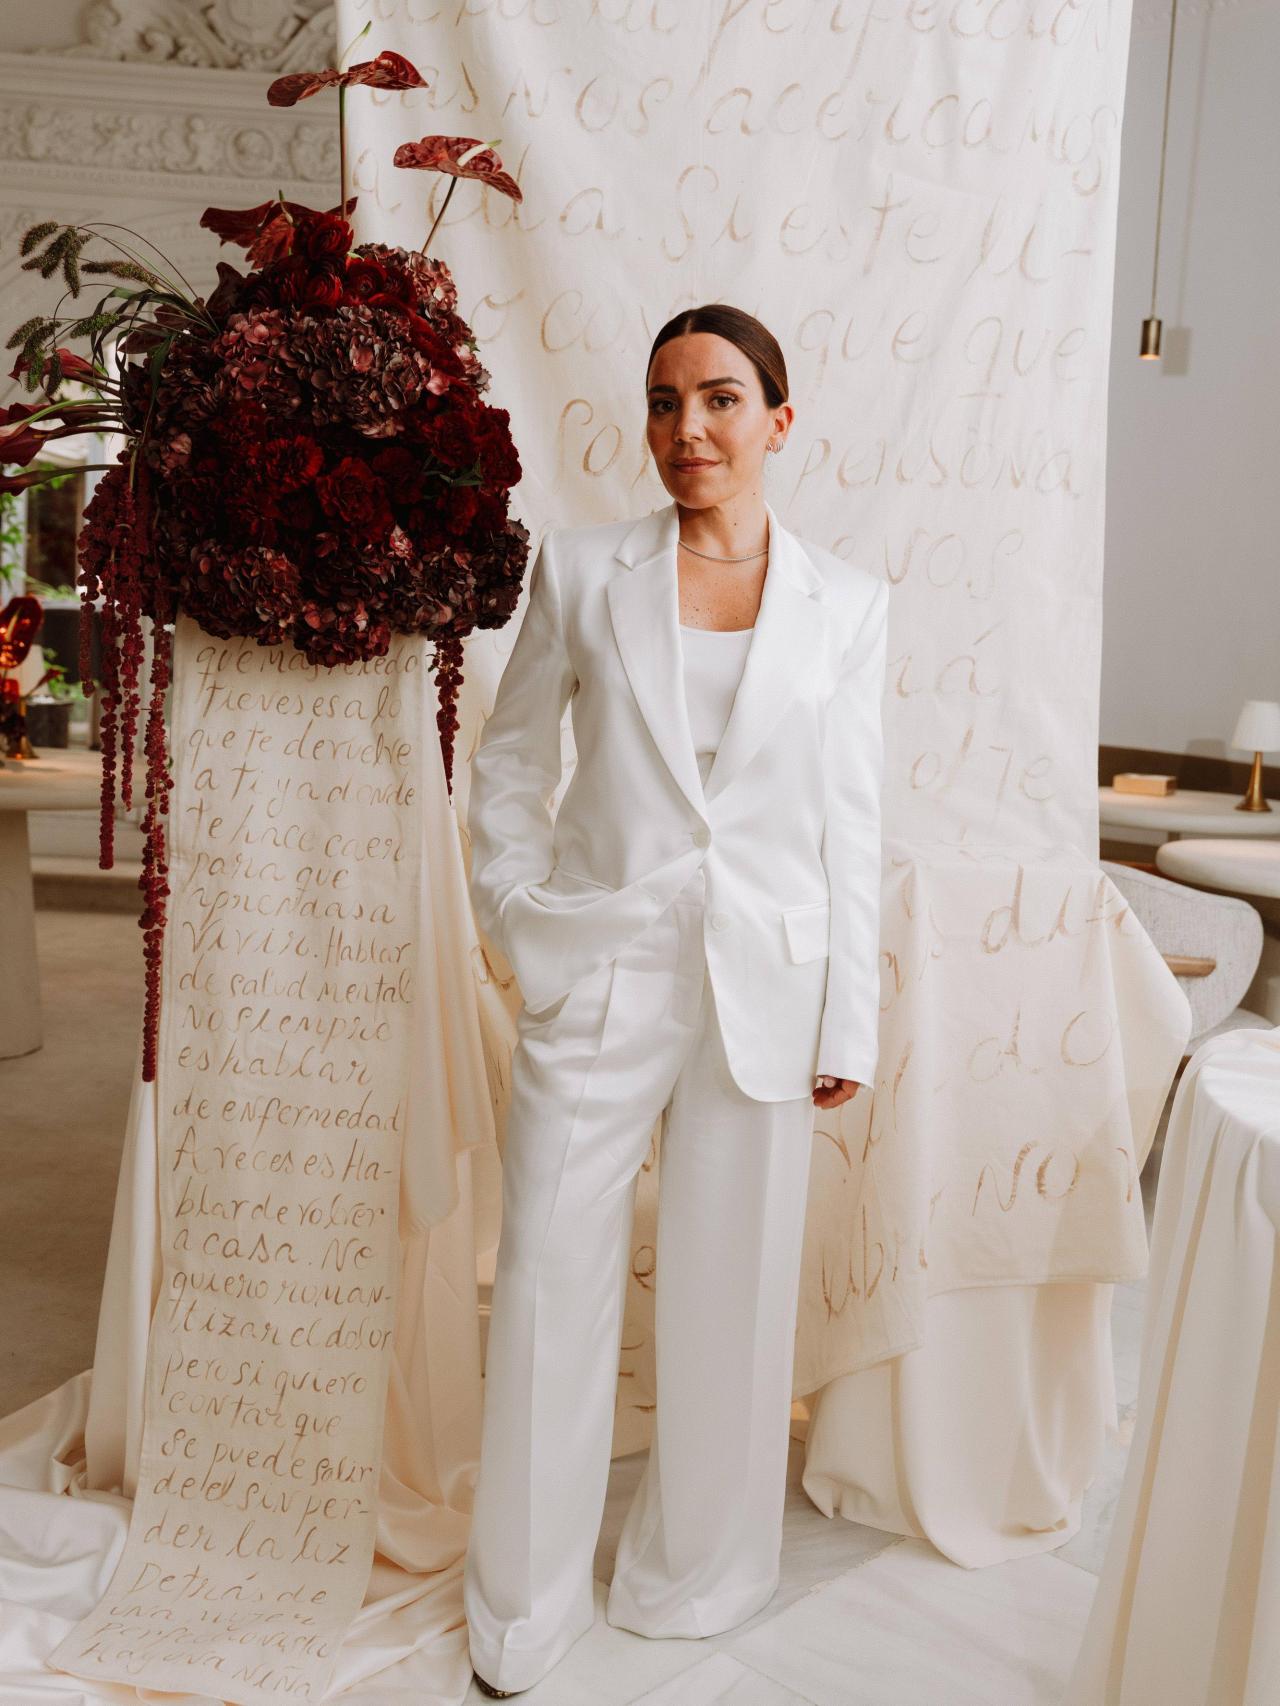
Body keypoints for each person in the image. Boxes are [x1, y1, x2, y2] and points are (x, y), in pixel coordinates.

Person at [462, 303, 889, 1698]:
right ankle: (519, 1606)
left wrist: (848, 1020)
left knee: (731, 1287)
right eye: (661, 403)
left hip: (768, 980)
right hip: (605, 960)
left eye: (717, 400)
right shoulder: (583, 573)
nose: (685, 430)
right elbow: (511, 765)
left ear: (778, 417)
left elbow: (851, 822)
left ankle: (696, 1574)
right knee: (546, 1274)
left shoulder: (850, 606)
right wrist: (524, 921)